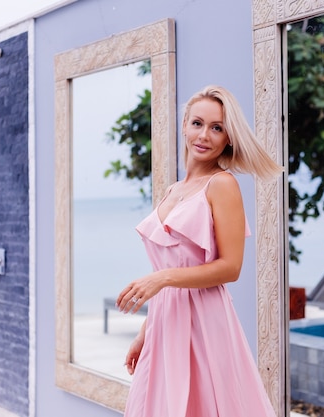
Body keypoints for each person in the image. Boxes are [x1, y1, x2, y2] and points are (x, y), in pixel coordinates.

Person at [116, 85, 283, 416]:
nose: (204, 135)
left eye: (217, 128)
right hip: (165, 323)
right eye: (197, 123)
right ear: (184, 127)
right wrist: (143, 333)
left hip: (204, 322)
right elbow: (170, 271)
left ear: (228, 139)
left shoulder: (222, 185)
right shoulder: (173, 190)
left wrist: (161, 279)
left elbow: (231, 268)